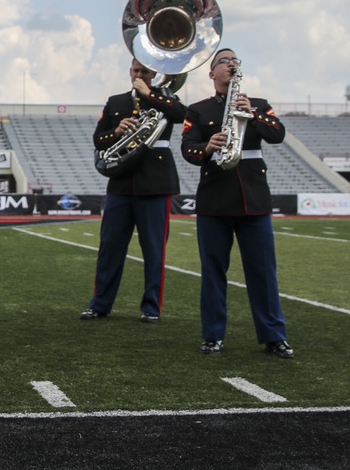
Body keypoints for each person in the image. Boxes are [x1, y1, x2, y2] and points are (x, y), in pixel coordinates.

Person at [180, 48, 293, 358]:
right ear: (212, 73)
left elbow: (277, 135)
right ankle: (212, 336)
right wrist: (206, 146)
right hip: (214, 202)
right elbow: (187, 149)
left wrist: (252, 113)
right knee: (213, 272)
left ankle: (274, 336)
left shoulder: (259, 104)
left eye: (234, 62)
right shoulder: (198, 110)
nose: (230, 65)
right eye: (223, 61)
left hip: (254, 202)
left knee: (263, 273)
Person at [81, 59, 185, 323]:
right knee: (110, 247)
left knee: (154, 249)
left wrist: (150, 95)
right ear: (130, 72)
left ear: (153, 75)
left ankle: (151, 307)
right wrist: (117, 130)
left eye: (145, 72)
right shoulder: (116, 102)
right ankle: (100, 304)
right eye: (136, 70)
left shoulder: (165, 98)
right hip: (121, 182)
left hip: (155, 183)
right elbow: (98, 138)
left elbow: (181, 115)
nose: (139, 75)